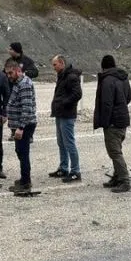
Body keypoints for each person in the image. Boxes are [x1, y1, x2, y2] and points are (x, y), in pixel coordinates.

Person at [93, 54, 131, 193]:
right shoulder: (123, 77)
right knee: (117, 150)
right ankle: (117, 177)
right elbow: (129, 97)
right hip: (122, 119)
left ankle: (124, 180)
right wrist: (120, 108)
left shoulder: (107, 80)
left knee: (114, 152)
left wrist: (105, 121)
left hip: (113, 122)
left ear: (103, 67)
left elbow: (106, 103)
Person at [4, 58, 38, 192]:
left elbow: (27, 108)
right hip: (19, 124)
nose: (8, 76)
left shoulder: (24, 84)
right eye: (7, 73)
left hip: (25, 125)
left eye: (11, 73)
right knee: (20, 151)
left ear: (18, 70)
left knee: (23, 153)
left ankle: (26, 182)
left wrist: (21, 128)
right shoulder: (17, 83)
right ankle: (24, 178)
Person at [48, 54, 82, 182]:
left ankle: (75, 171)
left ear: (62, 63)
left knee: (69, 143)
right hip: (60, 113)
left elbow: (77, 94)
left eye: (55, 64)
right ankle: (63, 168)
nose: (53, 67)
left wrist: (64, 103)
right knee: (61, 142)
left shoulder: (71, 77)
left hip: (67, 114)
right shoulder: (62, 76)